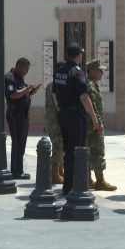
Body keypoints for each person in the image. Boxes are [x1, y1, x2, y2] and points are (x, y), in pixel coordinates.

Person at [52, 43, 102, 196]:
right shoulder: (77, 72)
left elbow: (54, 94)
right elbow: (84, 97)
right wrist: (94, 119)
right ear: (78, 55)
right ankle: (76, 186)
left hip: (63, 114)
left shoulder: (59, 71)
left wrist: (60, 109)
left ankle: (68, 186)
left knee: (68, 151)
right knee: (78, 151)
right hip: (75, 115)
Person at [5, 58, 40, 179]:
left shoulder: (21, 78)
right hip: (15, 114)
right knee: (17, 142)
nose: (27, 71)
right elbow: (13, 95)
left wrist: (32, 91)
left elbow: (24, 94)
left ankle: (19, 169)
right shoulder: (10, 77)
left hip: (24, 114)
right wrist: (27, 88)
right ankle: (16, 171)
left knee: (22, 143)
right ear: (20, 67)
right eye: (26, 69)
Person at [85, 59, 117, 191]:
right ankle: (99, 180)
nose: (102, 74)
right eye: (100, 71)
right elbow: (92, 105)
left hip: (90, 125)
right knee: (98, 152)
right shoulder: (90, 86)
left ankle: (88, 179)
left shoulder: (91, 84)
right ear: (92, 71)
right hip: (93, 126)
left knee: (88, 152)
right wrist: (98, 123)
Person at [45, 61, 66, 185]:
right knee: (58, 147)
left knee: (61, 146)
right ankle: (54, 174)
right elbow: (58, 103)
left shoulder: (52, 84)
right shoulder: (55, 85)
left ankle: (59, 170)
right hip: (55, 121)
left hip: (55, 120)